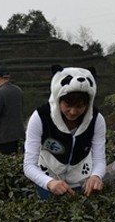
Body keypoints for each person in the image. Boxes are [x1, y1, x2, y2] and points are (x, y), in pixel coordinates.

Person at [23, 66, 105, 198]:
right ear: (58, 99)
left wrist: (96, 175)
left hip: (81, 180)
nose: (73, 112)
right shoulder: (40, 117)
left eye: (80, 106)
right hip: (48, 179)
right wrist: (49, 182)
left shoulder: (96, 119)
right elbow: (29, 165)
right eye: (68, 105)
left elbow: (99, 158)